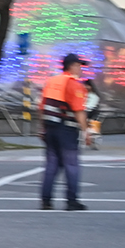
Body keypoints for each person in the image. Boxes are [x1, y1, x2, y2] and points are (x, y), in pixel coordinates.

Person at [40, 53, 90, 211]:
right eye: (80, 66)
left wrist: (42, 128)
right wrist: (86, 131)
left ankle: (46, 200)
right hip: (66, 129)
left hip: (50, 128)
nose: (81, 70)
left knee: (52, 165)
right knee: (71, 165)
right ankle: (72, 200)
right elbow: (79, 110)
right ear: (73, 66)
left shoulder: (52, 81)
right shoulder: (74, 84)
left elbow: (41, 107)